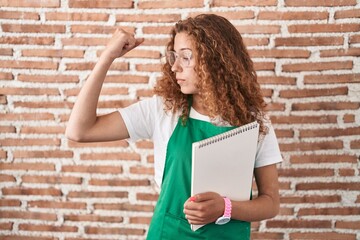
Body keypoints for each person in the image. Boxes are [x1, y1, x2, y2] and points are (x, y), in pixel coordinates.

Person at [66, 14, 282, 240]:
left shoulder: (253, 121)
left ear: (216, 60)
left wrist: (225, 208)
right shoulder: (163, 111)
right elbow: (79, 131)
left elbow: (270, 203)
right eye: (174, 56)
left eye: (186, 57)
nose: (175, 67)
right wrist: (107, 57)